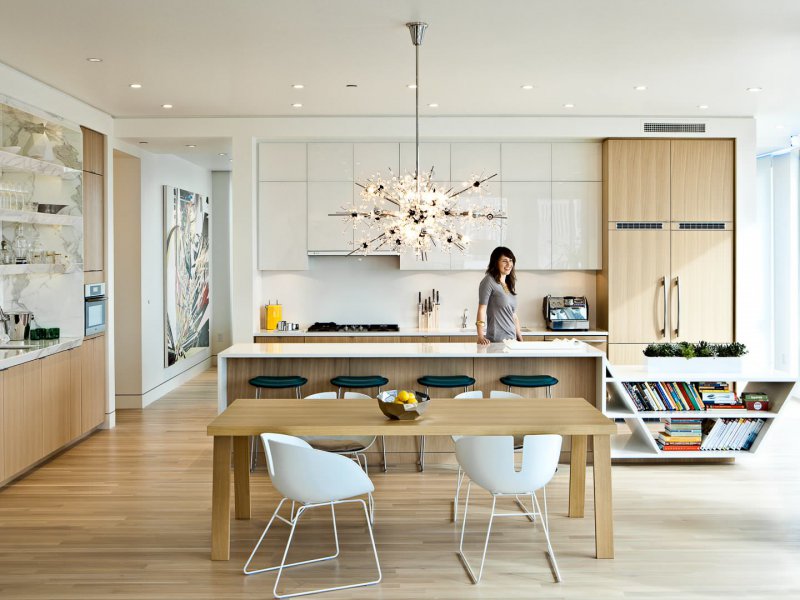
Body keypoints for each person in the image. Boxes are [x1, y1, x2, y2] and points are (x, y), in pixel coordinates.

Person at [476, 246, 523, 345]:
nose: (509, 264)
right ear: (496, 262)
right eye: (504, 261)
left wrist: (519, 337)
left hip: (512, 340)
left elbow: (513, 314)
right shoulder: (488, 281)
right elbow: (482, 309)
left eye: (511, 260)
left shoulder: (507, 284)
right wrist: (480, 336)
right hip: (497, 340)